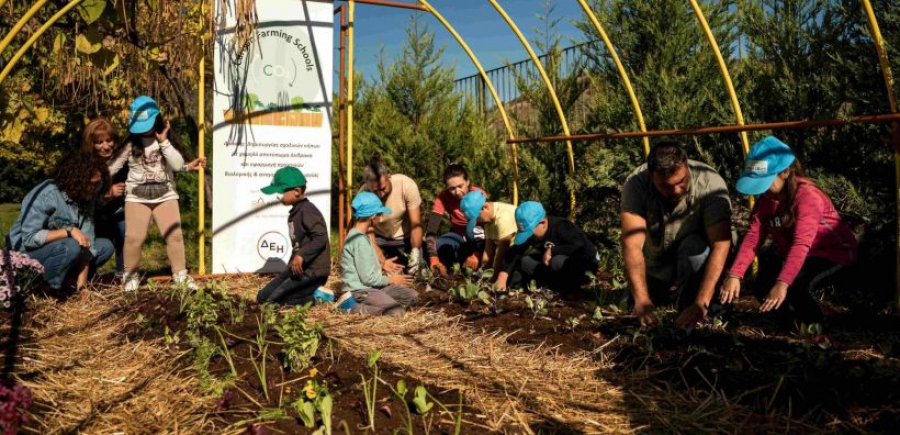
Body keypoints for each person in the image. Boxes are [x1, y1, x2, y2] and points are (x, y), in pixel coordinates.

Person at [721, 137, 857, 325]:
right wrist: (735, 274)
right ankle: (788, 324)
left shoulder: (807, 197)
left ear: (785, 172)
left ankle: (815, 329)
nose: (762, 190)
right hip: (795, 253)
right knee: (762, 286)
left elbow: (801, 244)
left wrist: (783, 283)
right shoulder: (766, 201)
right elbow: (753, 237)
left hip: (831, 253)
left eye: (766, 181)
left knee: (797, 287)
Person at [621, 141, 732, 330]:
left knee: (694, 248)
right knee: (636, 302)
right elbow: (632, 244)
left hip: (695, 257)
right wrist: (642, 299)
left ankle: (693, 301)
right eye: (665, 186)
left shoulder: (710, 183)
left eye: (681, 182)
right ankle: (666, 292)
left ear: (686, 166)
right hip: (657, 260)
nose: (676, 190)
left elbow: (721, 245)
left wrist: (701, 302)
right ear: (651, 176)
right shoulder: (636, 184)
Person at [108, 96, 206, 291]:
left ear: (157, 120)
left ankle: (180, 275)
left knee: (174, 236)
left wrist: (164, 142)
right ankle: (130, 276)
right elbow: (111, 167)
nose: (143, 129)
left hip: (166, 195)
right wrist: (97, 179)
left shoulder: (166, 141)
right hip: (136, 197)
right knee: (134, 238)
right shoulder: (130, 144)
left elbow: (177, 165)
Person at [6, 152, 114, 293]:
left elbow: (88, 243)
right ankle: (49, 288)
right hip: (25, 254)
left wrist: (82, 288)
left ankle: (71, 282)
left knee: (105, 247)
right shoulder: (46, 194)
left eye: (99, 183)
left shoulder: (88, 197)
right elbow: (29, 238)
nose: (96, 189)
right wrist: (68, 231)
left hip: (61, 249)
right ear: (77, 181)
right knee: (71, 246)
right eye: (92, 184)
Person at [255, 166, 333, 306]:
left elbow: (321, 237)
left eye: (281, 191)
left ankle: (318, 298)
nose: (278, 196)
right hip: (297, 271)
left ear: (297, 191)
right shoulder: (295, 212)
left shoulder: (308, 210)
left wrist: (302, 255)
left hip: (313, 273)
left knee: (273, 303)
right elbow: (298, 245)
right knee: (262, 297)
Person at [335, 192, 419, 316]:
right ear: (372, 216)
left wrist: (382, 265)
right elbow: (368, 279)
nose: (381, 216)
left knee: (412, 296)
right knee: (396, 312)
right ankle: (350, 307)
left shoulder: (360, 236)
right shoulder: (359, 240)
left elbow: (363, 268)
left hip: (372, 288)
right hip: (360, 291)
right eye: (380, 213)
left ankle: (379, 304)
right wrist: (391, 279)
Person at [494, 201, 599, 294]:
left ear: (543, 223)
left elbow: (580, 246)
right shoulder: (535, 232)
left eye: (530, 232)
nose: (529, 236)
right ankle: (552, 285)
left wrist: (552, 251)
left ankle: (572, 291)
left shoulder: (561, 226)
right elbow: (514, 252)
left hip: (585, 267)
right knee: (525, 261)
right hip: (556, 270)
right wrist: (502, 277)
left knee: (556, 260)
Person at [361, 153, 424, 274]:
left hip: (404, 238)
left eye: (383, 188)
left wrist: (415, 250)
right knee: (368, 270)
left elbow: (416, 224)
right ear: (368, 187)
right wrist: (382, 261)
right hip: (378, 238)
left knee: (418, 269)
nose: (380, 194)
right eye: (375, 191)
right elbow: (368, 233)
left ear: (388, 176)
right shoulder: (363, 195)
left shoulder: (406, 185)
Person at [82, 118, 127, 278]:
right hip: (93, 214)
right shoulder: (86, 166)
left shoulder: (123, 161)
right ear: (91, 144)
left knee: (124, 229)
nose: (105, 146)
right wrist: (108, 195)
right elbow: (86, 200)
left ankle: (122, 273)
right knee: (99, 241)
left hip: (119, 209)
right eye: (99, 142)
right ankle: (88, 273)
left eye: (109, 140)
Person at [425, 163, 487, 276]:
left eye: (460, 186)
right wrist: (433, 259)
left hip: (478, 237)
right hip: (457, 235)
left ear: (468, 181)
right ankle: (447, 267)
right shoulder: (443, 197)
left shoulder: (478, 194)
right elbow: (431, 230)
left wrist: (477, 254)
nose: (457, 192)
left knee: (472, 229)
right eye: (452, 188)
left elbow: (487, 227)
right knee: (440, 244)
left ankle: (475, 260)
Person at [459, 190, 517, 278]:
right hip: (508, 256)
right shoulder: (488, 219)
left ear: (485, 207)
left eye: (477, 218)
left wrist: (493, 278)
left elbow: (501, 254)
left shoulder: (503, 218)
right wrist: (482, 273)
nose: (478, 221)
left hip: (519, 255)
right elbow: (488, 250)